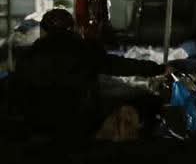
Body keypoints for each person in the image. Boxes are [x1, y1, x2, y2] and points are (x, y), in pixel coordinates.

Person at [15, 8, 167, 141]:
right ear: (73, 29)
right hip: (80, 124)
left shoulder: (28, 57)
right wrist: (157, 69)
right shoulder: (84, 50)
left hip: (39, 127)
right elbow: (118, 65)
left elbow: (18, 92)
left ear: (43, 32)